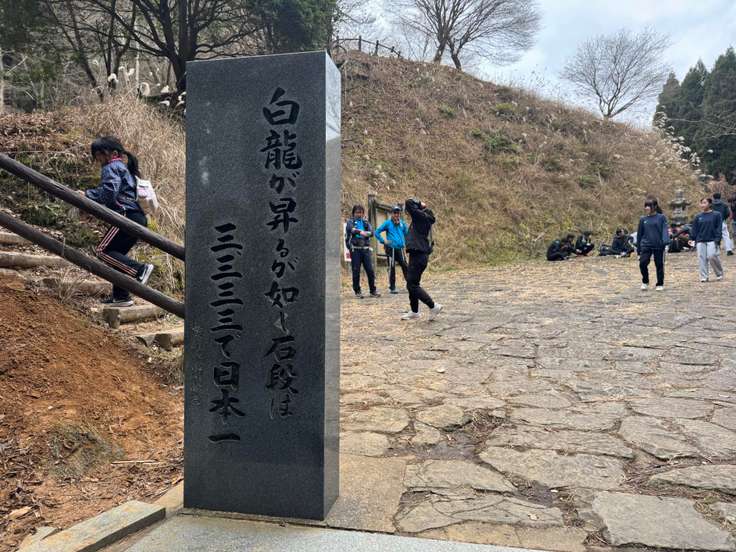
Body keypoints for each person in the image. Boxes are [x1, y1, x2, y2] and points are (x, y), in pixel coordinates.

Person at [84, 136, 154, 307]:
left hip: (126, 215)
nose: (98, 160)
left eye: (99, 155)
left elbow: (109, 193)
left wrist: (87, 194)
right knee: (116, 255)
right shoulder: (124, 168)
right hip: (138, 217)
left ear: (112, 153)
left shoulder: (111, 167)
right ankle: (121, 296)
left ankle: (140, 269)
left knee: (102, 251)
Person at [402, 198, 442, 321]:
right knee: (412, 283)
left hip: (418, 255)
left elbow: (408, 202)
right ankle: (414, 311)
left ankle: (433, 306)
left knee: (412, 284)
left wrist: (419, 204)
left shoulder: (421, 217)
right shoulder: (424, 219)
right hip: (418, 254)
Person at [345, 205, 380, 298]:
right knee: (356, 271)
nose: (359, 214)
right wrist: (360, 232)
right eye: (357, 212)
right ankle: (357, 291)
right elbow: (351, 230)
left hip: (365, 249)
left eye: (361, 212)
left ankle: (373, 291)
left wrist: (367, 233)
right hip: (355, 249)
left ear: (363, 213)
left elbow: (372, 232)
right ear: (353, 213)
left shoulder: (366, 222)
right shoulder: (350, 222)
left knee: (370, 270)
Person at [636, 198, 669, 291]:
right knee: (642, 263)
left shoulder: (661, 217)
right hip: (646, 245)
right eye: (645, 206)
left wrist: (665, 242)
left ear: (655, 206)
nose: (646, 208)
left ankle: (660, 283)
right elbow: (639, 235)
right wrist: (638, 250)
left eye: (649, 206)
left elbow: (664, 230)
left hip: (658, 245)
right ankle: (645, 281)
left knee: (659, 265)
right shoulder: (643, 219)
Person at [375, 205, 409, 294]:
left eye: (398, 213)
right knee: (392, 267)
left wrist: (407, 244)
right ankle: (392, 287)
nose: (397, 215)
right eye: (395, 213)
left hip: (400, 248)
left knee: (405, 265)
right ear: (392, 214)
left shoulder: (402, 223)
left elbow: (407, 234)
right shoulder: (388, 223)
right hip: (391, 248)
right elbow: (377, 232)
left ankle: (410, 285)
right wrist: (383, 241)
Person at [691, 197, 724, 282]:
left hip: (712, 239)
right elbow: (695, 229)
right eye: (701, 203)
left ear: (710, 204)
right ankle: (704, 276)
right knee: (702, 258)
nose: (702, 205)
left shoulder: (717, 215)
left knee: (711, 256)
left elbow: (719, 228)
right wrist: (692, 239)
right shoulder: (698, 216)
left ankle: (719, 273)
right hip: (700, 240)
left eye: (704, 203)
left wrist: (718, 239)